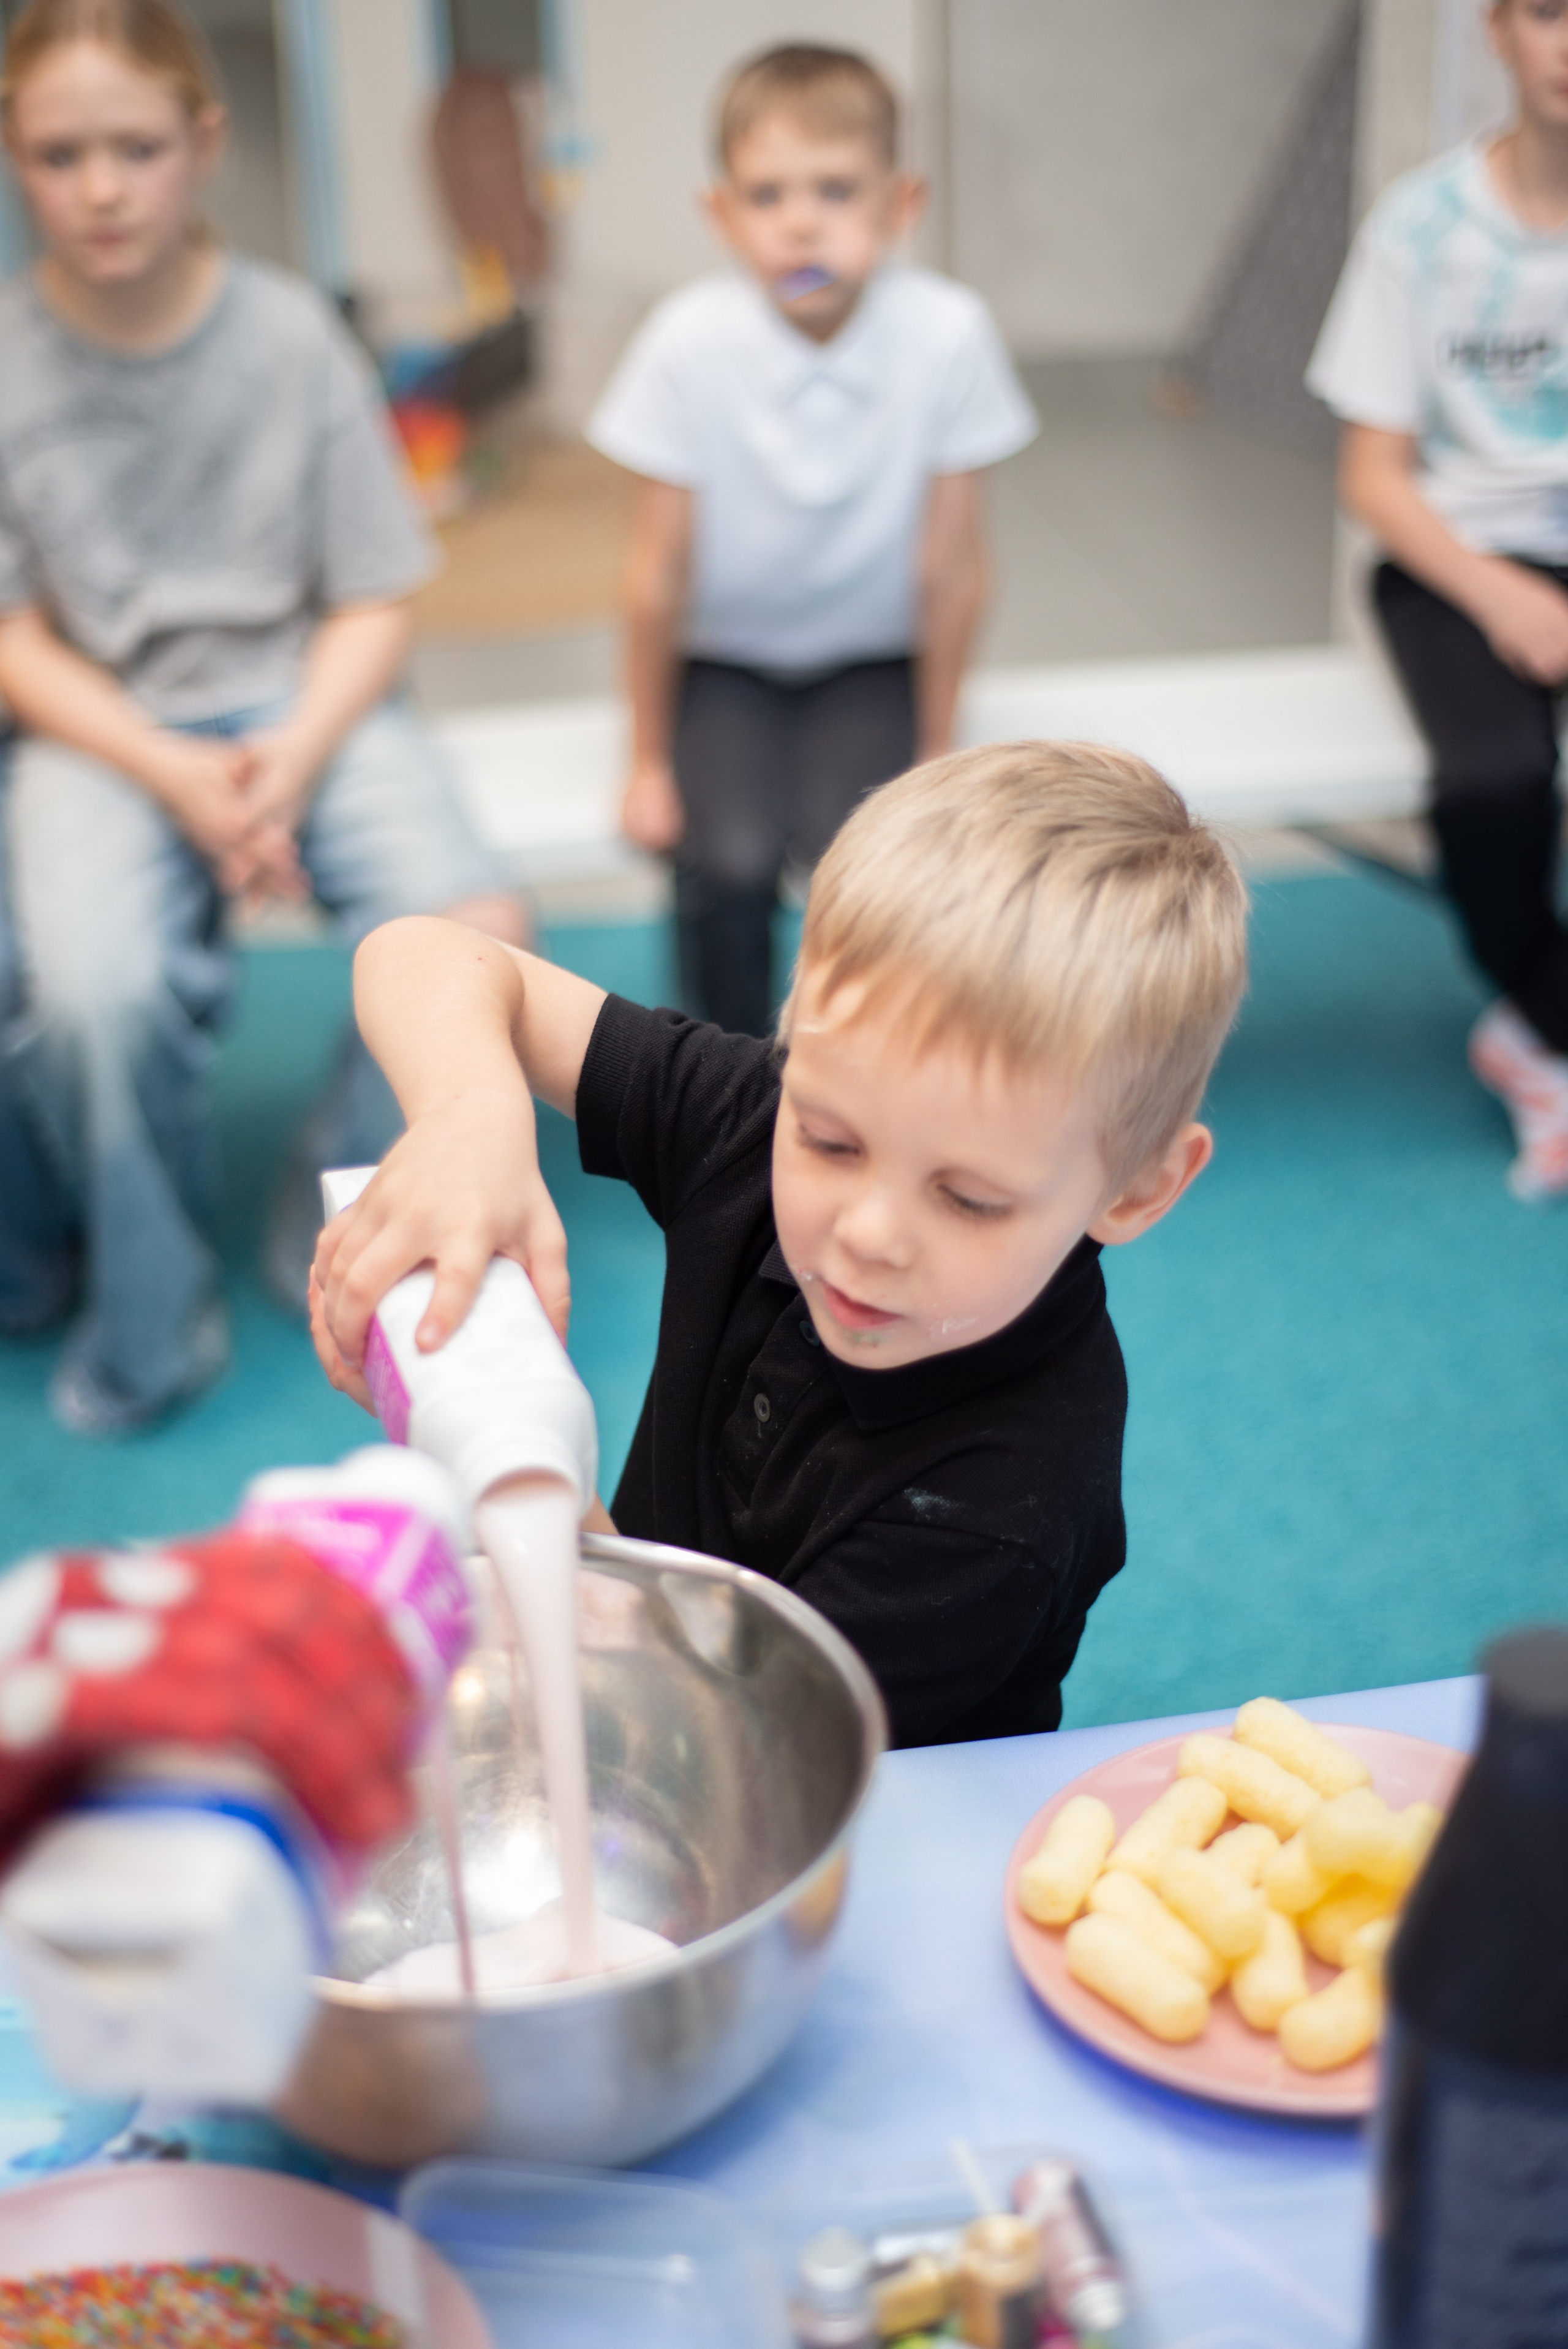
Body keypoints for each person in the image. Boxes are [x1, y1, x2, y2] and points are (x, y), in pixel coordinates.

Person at [312, 744, 1248, 1748]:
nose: (867, 1232)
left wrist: (509, 1460)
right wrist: (469, 1120)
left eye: (969, 1200)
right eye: (830, 1140)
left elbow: (712, 1749)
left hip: (846, 1812)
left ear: (1140, 1183)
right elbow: (427, 953)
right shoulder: (752, 1127)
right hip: (645, 1676)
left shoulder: (1001, 1507)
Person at [0, 0, 521, 1433]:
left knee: (479, 930)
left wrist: (285, 760)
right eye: (60, 154)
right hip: (105, 729)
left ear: (202, 145)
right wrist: (171, 771)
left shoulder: (292, 337)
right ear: (13, 155)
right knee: (92, 990)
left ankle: (337, 1205)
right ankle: (150, 1306)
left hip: (309, 704)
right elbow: (13, 638)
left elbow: (373, 598)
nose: (102, 187)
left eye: (136, 148)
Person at [586, 43, 1036, 1038]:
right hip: (726, 663)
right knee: (732, 860)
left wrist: (935, 743)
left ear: (899, 203)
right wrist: (646, 759)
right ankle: (728, 1069)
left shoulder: (948, 334)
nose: (801, 221)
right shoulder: (686, 342)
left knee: (858, 861)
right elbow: (655, 573)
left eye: (836, 190)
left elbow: (956, 568)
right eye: (768, 194)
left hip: (872, 661)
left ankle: (846, 1068)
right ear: (723, 215)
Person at [1308, 0, 1568, 1201]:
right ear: (1498, 32)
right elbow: (1372, 475)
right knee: (1493, 780)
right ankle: (1537, 1019)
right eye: (1550, 12)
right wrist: (1502, 598)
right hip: (1448, 556)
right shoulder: (1419, 226)